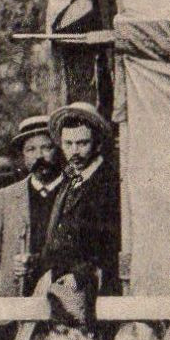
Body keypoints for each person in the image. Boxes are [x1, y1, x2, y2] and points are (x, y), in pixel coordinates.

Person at [42, 103, 123, 325]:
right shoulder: (69, 180)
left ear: (96, 143)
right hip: (62, 287)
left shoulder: (109, 183)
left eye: (82, 143)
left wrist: (79, 276)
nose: (74, 151)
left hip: (95, 288)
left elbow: (112, 242)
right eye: (68, 144)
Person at [0, 115, 65, 296]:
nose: (39, 156)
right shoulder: (6, 197)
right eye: (31, 150)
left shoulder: (72, 191)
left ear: (58, 150)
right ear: (23, 156)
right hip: (15, 295)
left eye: (46, 147)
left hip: (58, 293)